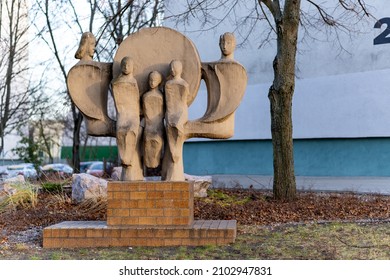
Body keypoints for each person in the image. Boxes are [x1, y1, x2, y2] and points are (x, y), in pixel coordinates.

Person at [112, 56, 143, 181]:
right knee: (120, 131)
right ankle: (124, 157)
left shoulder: (134, 82)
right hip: (122, 113)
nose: (125, 67)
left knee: (132, 131)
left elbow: (136, 100)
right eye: (124, 65)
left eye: (128, 65)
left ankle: (128, 157)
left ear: (132, 67)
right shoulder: (116, 82)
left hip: (133, 114)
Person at [162, 60, 189, 181]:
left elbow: (183, 104)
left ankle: (175, 152)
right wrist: (169, 116)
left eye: (175, 67)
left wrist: (178, 117)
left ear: (180, 69)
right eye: (171, 67)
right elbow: (169, 103)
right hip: (171, 113)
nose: (172, 70)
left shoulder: (184, 84)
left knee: (177, 126)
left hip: (180, 113)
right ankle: (174, 152)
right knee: (169, 125)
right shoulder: (168, 85)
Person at [142, 71, 165, 170]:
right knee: (147, 142)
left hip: (158, 125)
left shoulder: (162, 96)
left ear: (159, 82)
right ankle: (148, 162)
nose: (152, 82)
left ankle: (155, 162)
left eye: (155, 80)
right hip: (148, 125)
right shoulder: (145, 96)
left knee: (157, 142)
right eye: (150, 80)